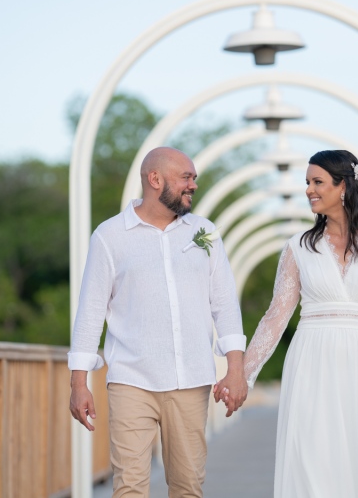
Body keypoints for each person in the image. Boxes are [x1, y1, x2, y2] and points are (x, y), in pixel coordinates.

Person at [221, 149, 358, 497]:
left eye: (318, 182)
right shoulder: (297, 248)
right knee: (313, 458)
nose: (309, 189)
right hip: (312, 361)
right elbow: (275, 317)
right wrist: (243, 375)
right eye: (307, 182)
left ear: (343, 187)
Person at [69, 147, 248, 498]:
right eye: (186, 177)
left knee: (187, 486)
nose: (193, 185)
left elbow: (225, 303)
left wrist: (235, 369)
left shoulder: (205, 232)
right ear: (155, 179)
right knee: (130, 488)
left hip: (191, 380)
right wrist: (79, 383)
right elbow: (90, 311)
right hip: (131, 380)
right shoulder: (109, 236)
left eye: (193, 177)